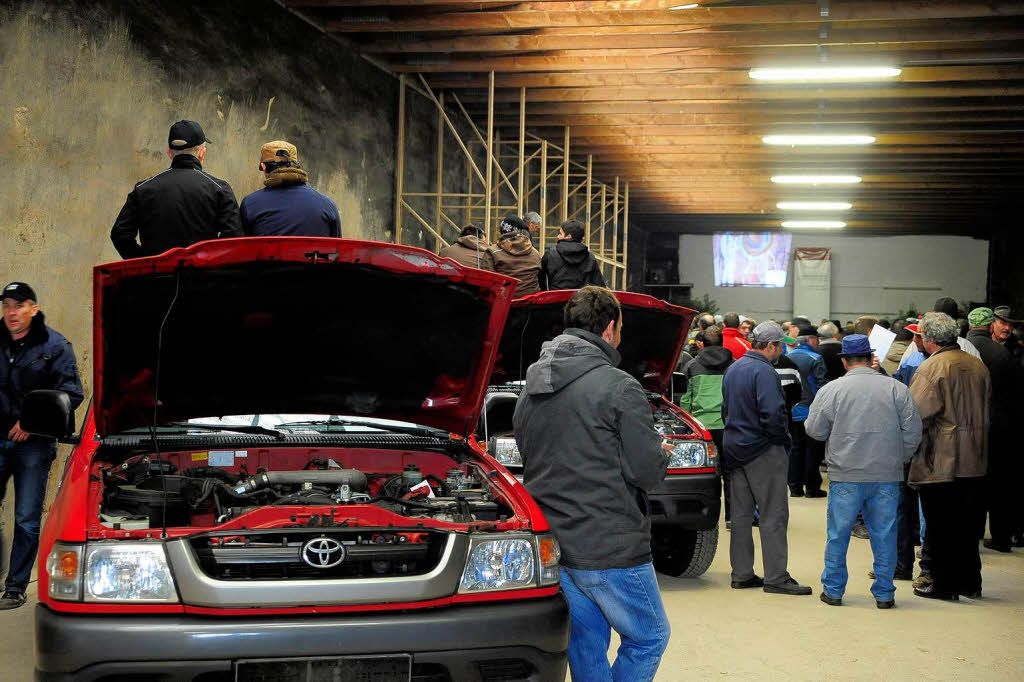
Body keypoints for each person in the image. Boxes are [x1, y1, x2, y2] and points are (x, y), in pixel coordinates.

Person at [513, 286, 671, 681]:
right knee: (650, 636)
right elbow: (645, 473)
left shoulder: (528, 390)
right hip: (610, 542)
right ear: (611, 328)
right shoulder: (619, 386)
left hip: (555, 541)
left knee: (586, 642)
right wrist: (662, 453)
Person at [805, 334, 922, 608]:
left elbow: (814, 430)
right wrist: (897, 458)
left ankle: (833, 591)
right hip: (886, 475)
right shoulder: (896, 389)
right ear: (871, 359)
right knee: (885, 534)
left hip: (845, 474)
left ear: (844, 361)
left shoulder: (831, 390)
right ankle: (884, 593)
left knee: (838, 534)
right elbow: (913, 432)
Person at [0, 282, 84, 609]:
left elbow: (71, 394)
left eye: (19, 305)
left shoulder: (56, 346)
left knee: (25, 517)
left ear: (33, 309)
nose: (11, 312)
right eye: (7, 305)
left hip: (32, 446)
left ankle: (15, 587)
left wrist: (30, 423)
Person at [722, 321, 812, 596]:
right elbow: (773, 413)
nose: (782, 350)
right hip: (762, 450)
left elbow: (726, 409)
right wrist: (781, 440)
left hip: (734, 448)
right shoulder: (764, 372)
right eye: (780, 345)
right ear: (770, 345)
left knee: (740, 516)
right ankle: (776, 577)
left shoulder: (733, 368)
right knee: (773, 514)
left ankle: (742, 574)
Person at [908, 312, 990, 601]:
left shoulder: (932, 367)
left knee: (941, 525)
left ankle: (944, 586)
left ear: (929, 339)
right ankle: (971, 583)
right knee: (968, 526)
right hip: (976, 456)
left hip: (942, 458)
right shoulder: (977, 365)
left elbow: (916, 415)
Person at [111, 120, 242, 258]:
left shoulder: (143, 189)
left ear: (169, 153)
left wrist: (145, 262)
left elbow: (120, 234)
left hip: (154, 278)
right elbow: (233, 240)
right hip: (201, 277)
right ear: (202, 153)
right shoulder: (219, 189)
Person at [965, 308, 1017, 552]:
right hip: (1001, 427)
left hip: (970, 426)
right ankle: (1001, 537)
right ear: (990, 325)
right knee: (1001, 484)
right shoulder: (1003, 355)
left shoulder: (959, 350)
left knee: (973, 481)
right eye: (1001, 322)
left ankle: (973, 531)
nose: (1006, 327)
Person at [680, 325, 733, 523]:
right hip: (727, 426)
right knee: (729, 473)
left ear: (702, 344)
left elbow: (685, 398)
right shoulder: (733, 364)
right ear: (722, 343)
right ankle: (731, 517)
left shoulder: (692, 366)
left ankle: (702, 516)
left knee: (702, 472)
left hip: (701, 428)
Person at [239, 140, 341, 237]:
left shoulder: (250, 204)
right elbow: (337, 250)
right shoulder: (327, 205)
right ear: (296, 166)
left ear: (263, 166)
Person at [787, 322, 828, 498]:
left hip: (792, 410)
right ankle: (812, 487)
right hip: (811, 410)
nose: (818, 342)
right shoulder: (815, 358)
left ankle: (795, 487)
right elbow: (822, 386)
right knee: (813, 450)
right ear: (811, 339)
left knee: (795, 448)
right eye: (817, 339)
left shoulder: (786, 357)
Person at [899, 297, 980, 365]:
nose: (915, 339)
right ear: (955, 320)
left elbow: (902, 375)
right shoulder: (968, 346)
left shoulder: (919, 342)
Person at [540, 220, 605, 290]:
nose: (557, 236)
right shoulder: (590, 257)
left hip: (555, 299)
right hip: (581, 299)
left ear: (568, 236)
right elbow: (599, 286)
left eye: (560, 234)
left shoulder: (550, 254)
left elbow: (540, 280)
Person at [491, 215, 542, 297]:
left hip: (504, 301)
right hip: (531, 302)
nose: (537, 230)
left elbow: (487, 280)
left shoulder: (493, 252)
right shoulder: (535, 253)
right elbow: (540, 278)